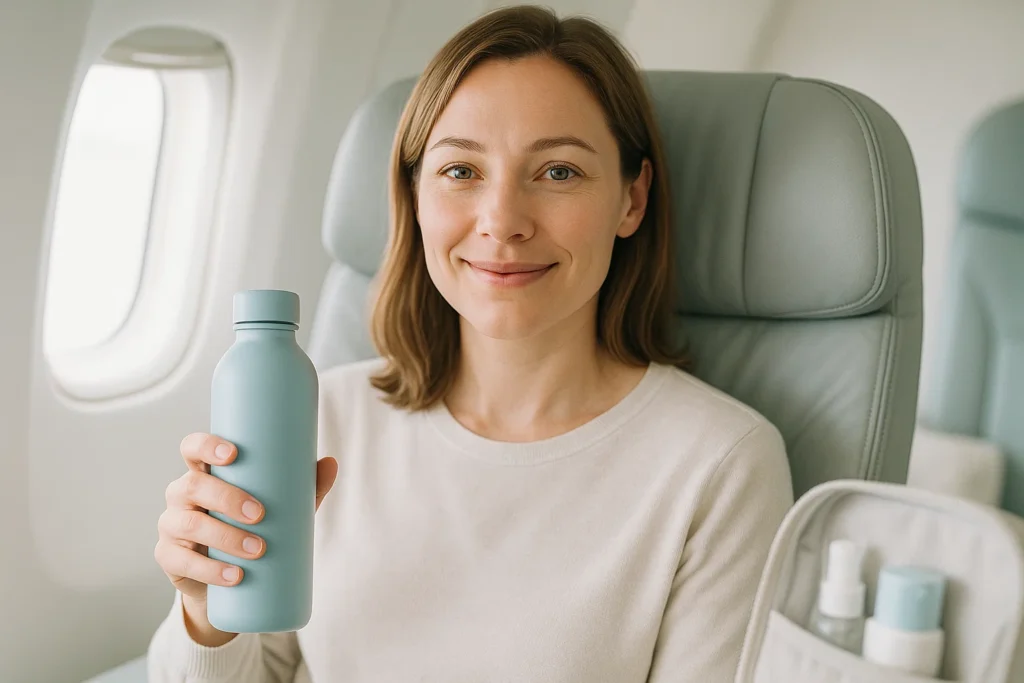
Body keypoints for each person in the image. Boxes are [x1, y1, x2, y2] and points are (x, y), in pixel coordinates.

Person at [147, 5, 793, 682]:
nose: (503, 221)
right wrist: (205, 612)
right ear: (415, 195)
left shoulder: (719, 465)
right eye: (461, 171)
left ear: (631, 200)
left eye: (559, 172)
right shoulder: (318, 415)